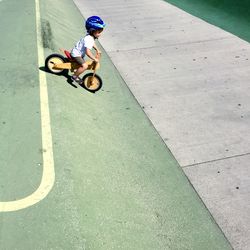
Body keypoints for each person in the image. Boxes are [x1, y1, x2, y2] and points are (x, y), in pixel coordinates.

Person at [70, 16, 106, 83]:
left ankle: (76, 71)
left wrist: (97, 49)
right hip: (76, 54)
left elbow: (92, 43)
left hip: (79, 54)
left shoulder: (90, 37)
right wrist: (94, 59)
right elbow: (88, 52)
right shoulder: (89, 39)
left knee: (81, 64)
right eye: (99, 32)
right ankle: (74, 76)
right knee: (85, 66)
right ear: (93, 31)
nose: (100, 34)